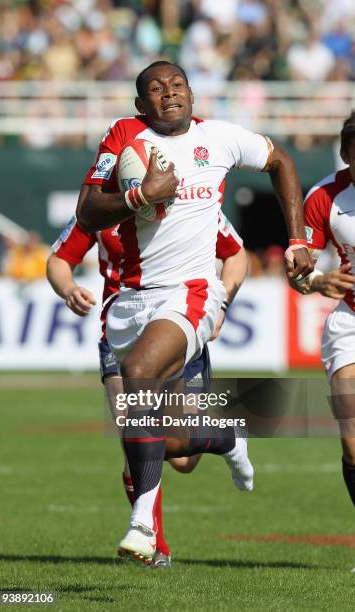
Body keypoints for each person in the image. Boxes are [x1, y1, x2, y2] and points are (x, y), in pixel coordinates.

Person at [76, 60, 312, 564]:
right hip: (129, 303)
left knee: (136, 376)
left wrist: (297, 239)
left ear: (192, 93)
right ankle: (227, 433)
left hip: (191, 293)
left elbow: (282, 163)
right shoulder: (122, 135)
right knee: (176, 445)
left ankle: (141, 526)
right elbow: (88, 211)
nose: (169, 94)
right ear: (141, 105)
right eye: (156, 90)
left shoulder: (222, 138)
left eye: (178, 85)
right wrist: (139, 195)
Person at [47, 209, 250, 568]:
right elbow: (59, 260)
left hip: (180, 319)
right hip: (121, 333)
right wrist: (68, 289)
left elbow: (235, 254)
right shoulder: (100, 205)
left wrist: (222, 303)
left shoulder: (192, 199)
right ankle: (154, 545)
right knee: (131, 424)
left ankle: (225, 437)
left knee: (183, 459)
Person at [290, 110, 355, 510]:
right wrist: (317, 282)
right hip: (350, 322)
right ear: (348, 154)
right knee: (352, 443)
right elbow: (298, 274)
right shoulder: (323, 197)